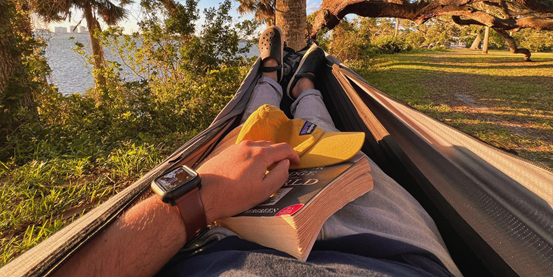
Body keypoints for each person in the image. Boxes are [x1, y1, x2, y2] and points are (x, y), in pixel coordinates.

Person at [54, 27, 461, 277]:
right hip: (383, 252)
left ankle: (271, 75)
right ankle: (304, 86)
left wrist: (206, 195)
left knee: (251, 127)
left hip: (210, 241)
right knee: (320, 132)